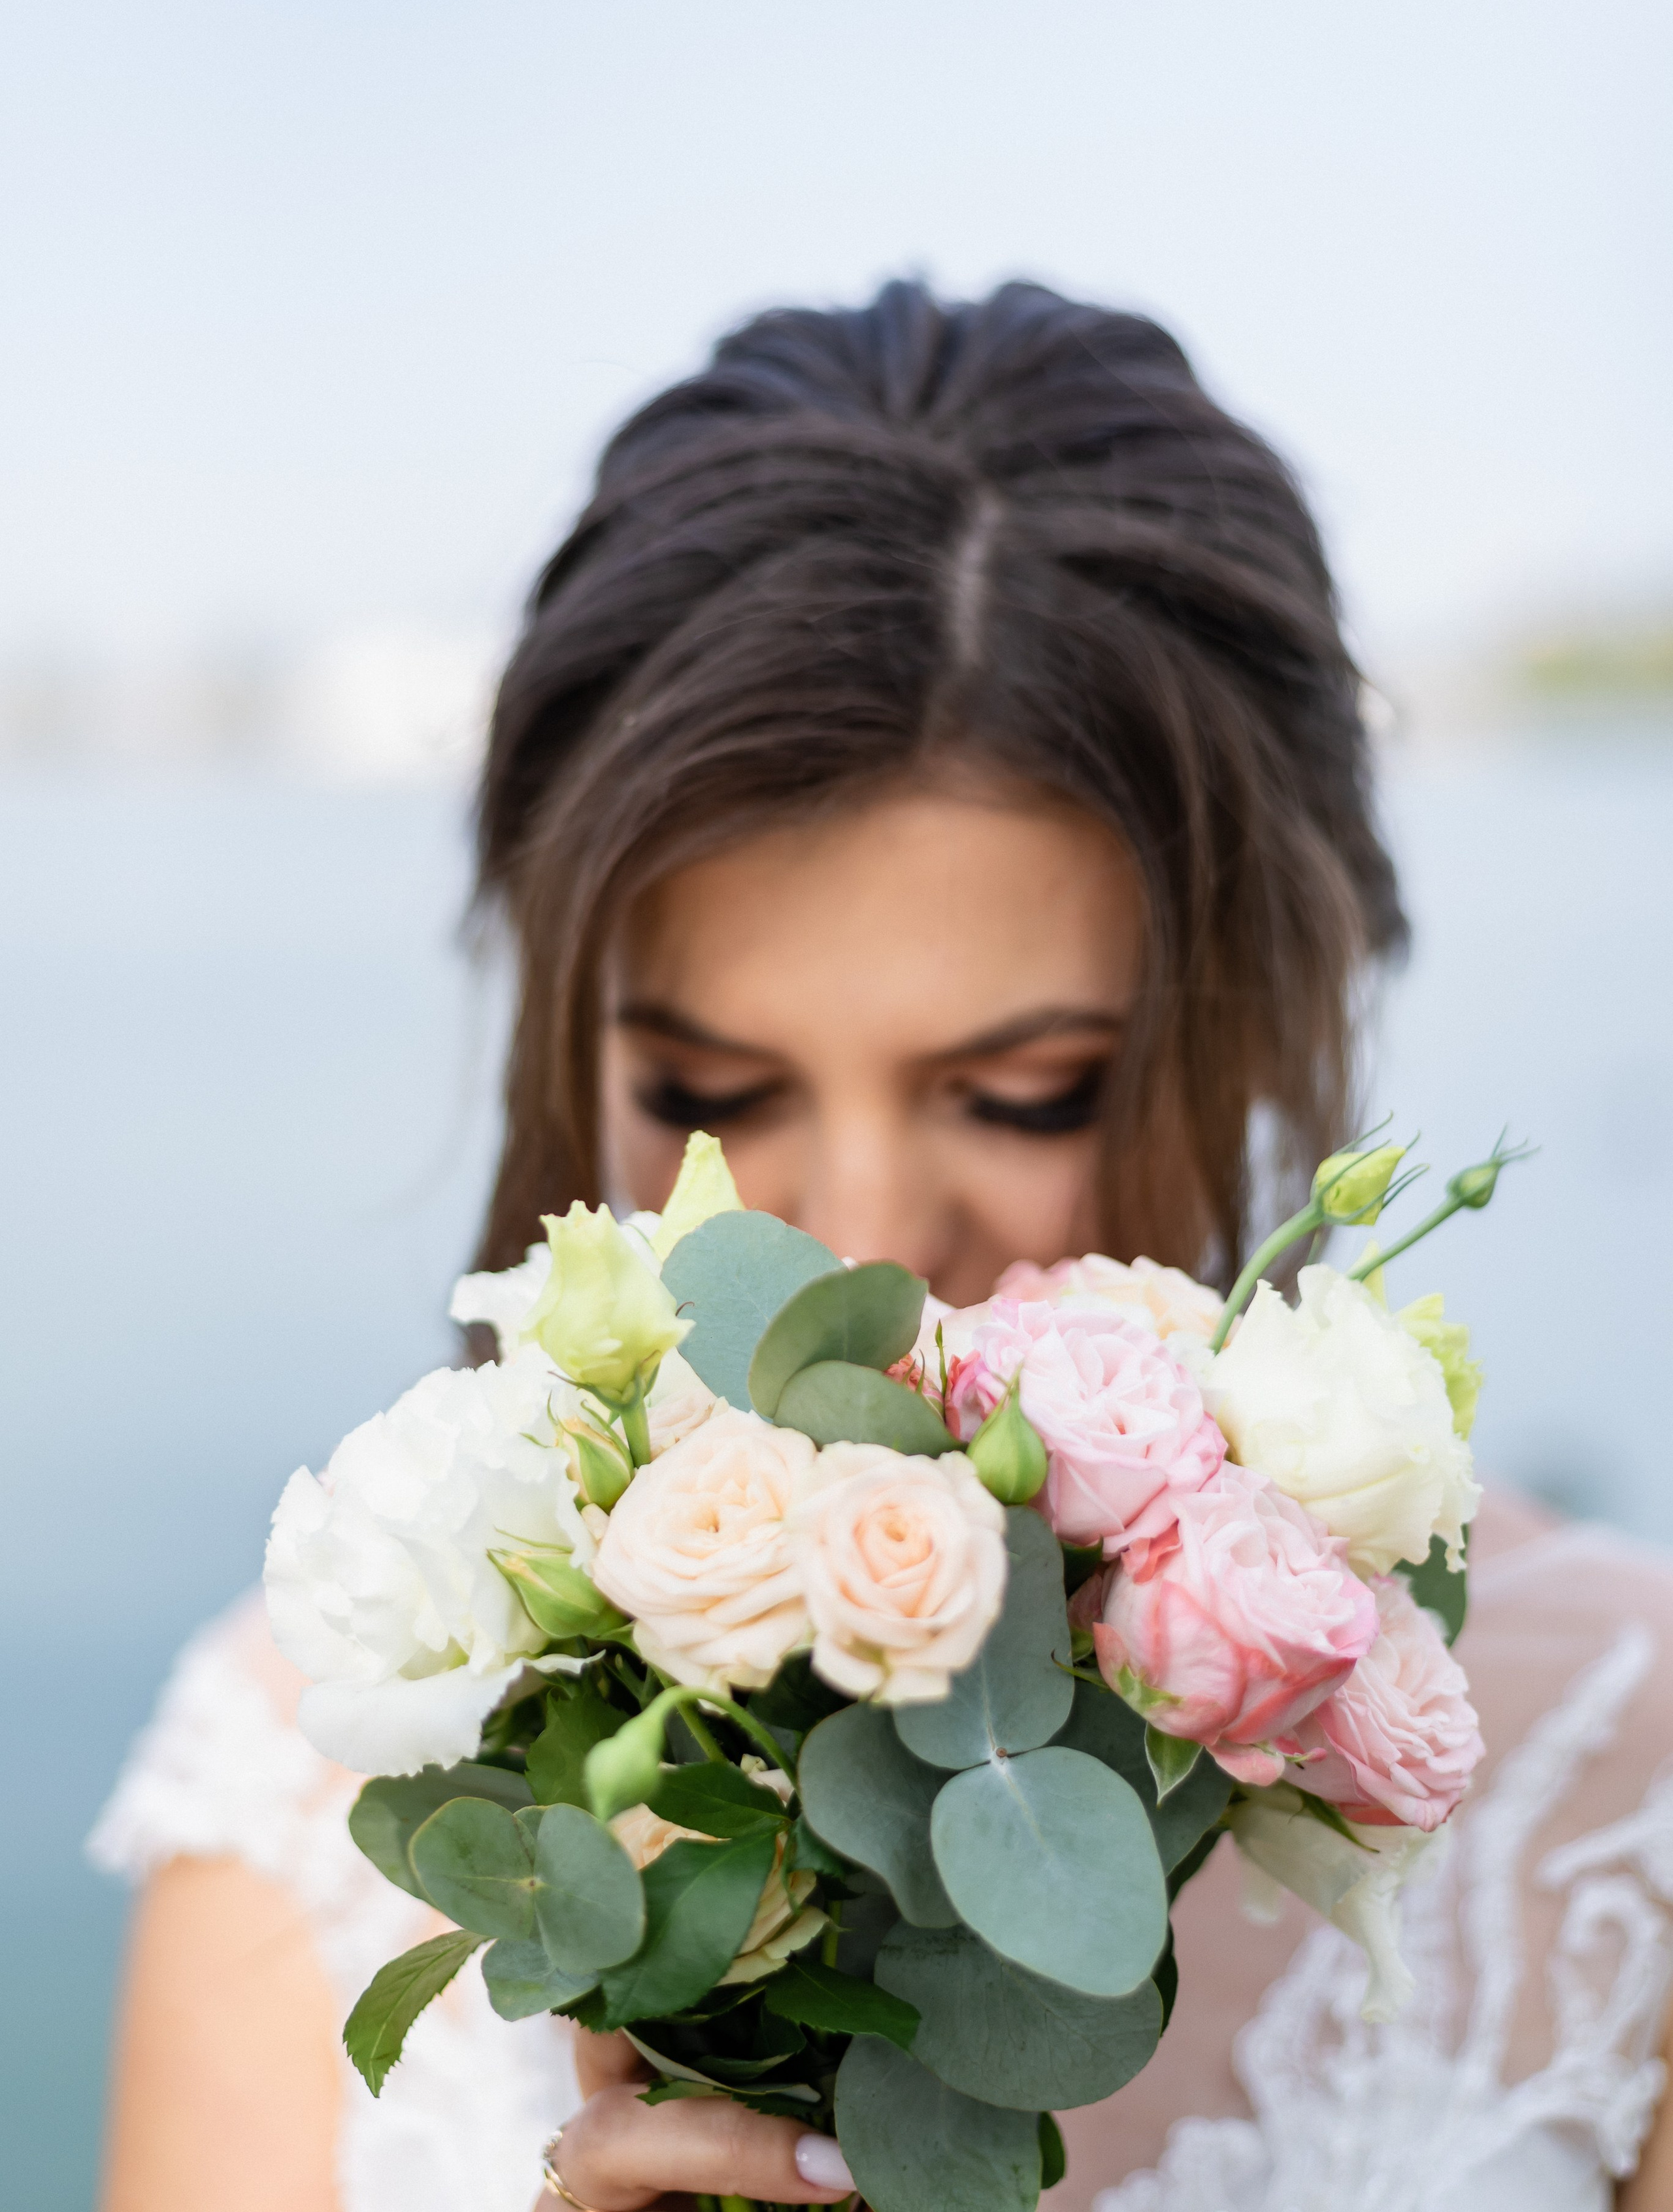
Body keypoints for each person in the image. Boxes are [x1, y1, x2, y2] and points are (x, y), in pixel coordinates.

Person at [93, 282, 1673, 2212]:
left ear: (1260, 1030)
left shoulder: (1630, 1769)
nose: (854, 1246)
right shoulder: (298, 1788)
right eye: (707, 1088)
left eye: (1023, 1094)